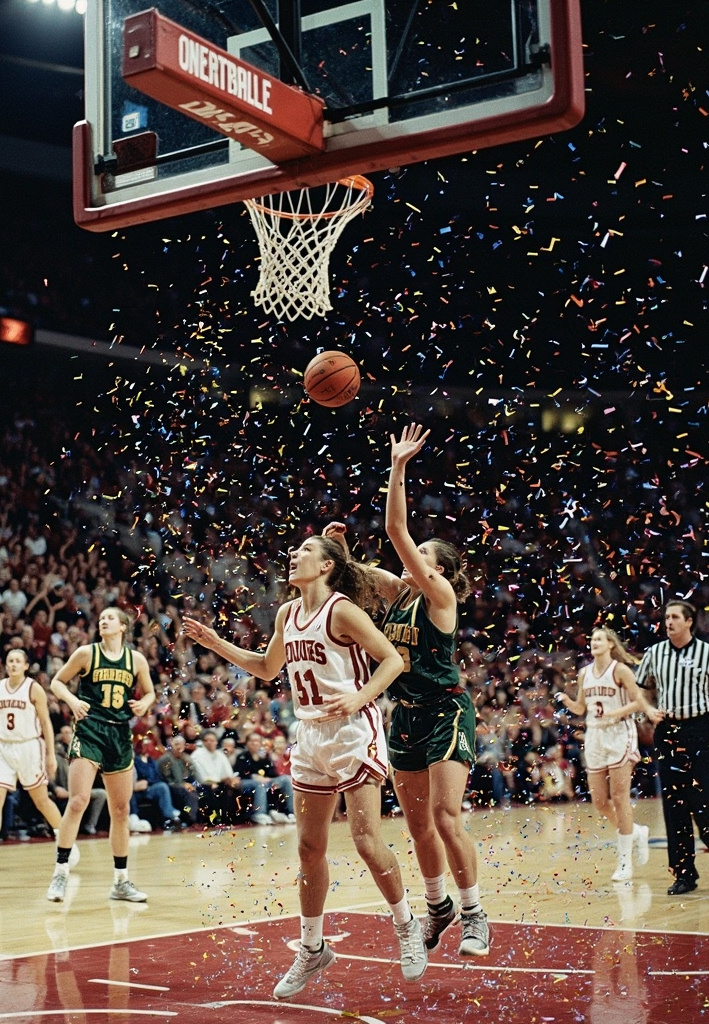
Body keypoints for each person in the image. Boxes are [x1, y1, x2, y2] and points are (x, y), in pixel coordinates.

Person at [183, 533, 428, 999]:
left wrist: (360, 695)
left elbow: (395, 659)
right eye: (294, 550)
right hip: (311, 733)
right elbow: (265, 667)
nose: (294, 555)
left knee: (365, 841)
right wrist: (217, 644)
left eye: (305, 551)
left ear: (326, 566)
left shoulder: (341, 610)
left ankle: (406, 924)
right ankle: (313, 948)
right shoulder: (286, 614)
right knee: (309, 849)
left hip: (354, 727)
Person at [323, 423, 490, 959]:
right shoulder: (397, 593)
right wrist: (338, 549)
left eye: (421, 553)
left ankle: (474, 914)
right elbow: (350, 574)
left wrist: (397, 466)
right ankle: (437, 907)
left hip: (446, 710)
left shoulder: (438, 595)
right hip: (406, 715)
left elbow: (396, 530)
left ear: (437, 568)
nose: (409, 556)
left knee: (445, 818)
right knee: (417, 826)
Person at [45, 606, 156, 903]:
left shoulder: (136, 659)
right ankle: (60, 872)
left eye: (110, 618)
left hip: (119, 734)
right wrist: (72, 700)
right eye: (101, 618)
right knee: (78, 800)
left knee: (120, 810)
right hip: (90, 729)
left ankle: (121, 881)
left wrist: (144, 703)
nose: (103, 621)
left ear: (122, 626)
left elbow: (150, 692)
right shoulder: (86, 653)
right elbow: (57, 681)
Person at [635, 599, 709, 895]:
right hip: (668, 732)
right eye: (666, 617)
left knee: (702, 798)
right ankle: (684, 874)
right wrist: (648, 712)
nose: (669, 622)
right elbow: (640, 689)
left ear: (689, 621)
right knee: (673, 804)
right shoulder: (654, 653)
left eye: (675, 617)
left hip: (700, 729)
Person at [0, 649, 78, 874]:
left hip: (29, 747)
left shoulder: (33, 688)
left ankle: (67, 845)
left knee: (41, 801)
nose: (13, 664)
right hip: (2, 748)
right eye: (10, 660)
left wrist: (50, 755)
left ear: (26, 666)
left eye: (18, 661)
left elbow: (46, 723)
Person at [556, 626, 651, 880]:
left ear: (611, 644)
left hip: (620, 733)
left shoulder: (620, 670)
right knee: (599, 801)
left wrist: (616, 713)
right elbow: (580, 708)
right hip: (596, 735)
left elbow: (640, 701)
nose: (594, 642)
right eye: (592, 639)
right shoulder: (584, 673)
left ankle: (624, 863)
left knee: (620, 797)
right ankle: (638, 832)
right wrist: (567, 701)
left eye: (600, 638)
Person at [234, 732, 296, 823]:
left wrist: (269, 779)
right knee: (260, 784)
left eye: (257, 741)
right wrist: (253, 776)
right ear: (247, 743)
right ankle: (260, 813)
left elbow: (272, 773)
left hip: (266, 781)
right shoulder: (242, 757)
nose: (255, 743)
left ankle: (292, 812)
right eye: (252, 741)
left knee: (286, 779)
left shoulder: (264, 758)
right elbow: (240, 773)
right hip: (247, 782)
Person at [156, 733, 200, 825]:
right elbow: (168, 779)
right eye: (176, 744)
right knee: (184, 791)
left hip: (184, 784)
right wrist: (183, 784)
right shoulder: (165, 759)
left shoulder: (187, 759)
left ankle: (196, 819)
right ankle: (188, 819)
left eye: (181, 745)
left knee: (199, 788)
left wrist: (192, 784)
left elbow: (193, 775)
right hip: (171, 785)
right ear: (172, 745)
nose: (178, 747)